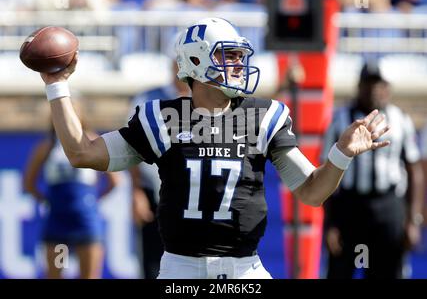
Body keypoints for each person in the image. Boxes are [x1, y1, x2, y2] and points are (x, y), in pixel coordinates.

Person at [35, 17, 390, 279]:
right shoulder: (163, 118)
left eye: (238, 56)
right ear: (195, 61)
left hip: (244, 271)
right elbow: (82, 152)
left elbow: (312, 192)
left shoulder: (262, 116)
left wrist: (340, 155)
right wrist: (57, 86)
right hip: (181, 272)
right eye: (229, 56)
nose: (239, 65)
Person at [321, 61, 424, 279]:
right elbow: (326, 172)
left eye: (379, 84)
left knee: (389, 272)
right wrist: (330, 223)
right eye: (369, 84)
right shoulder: (340, 120)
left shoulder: (400, 120)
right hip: (349, 207)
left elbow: (414, 170)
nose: (374, 90)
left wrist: (413, 219)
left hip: (388, 207)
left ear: (388, 88)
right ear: (359, 87)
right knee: (339, 271)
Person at [23, 102, 120, 279]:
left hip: (86, 223)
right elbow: (29, 183)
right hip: (59, 224)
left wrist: (92, 201)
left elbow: (115, 180)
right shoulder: (47, 146)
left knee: (89, 275)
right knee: (56, 274)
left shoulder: (92, 141)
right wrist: (48, 201)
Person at [129, 58, 189, 279]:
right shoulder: (147, 100)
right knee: (154, 266)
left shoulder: (208, 99)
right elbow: (132, 147)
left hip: (196, 196)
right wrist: (136, 191)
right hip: (154, 192)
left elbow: (248, 123)